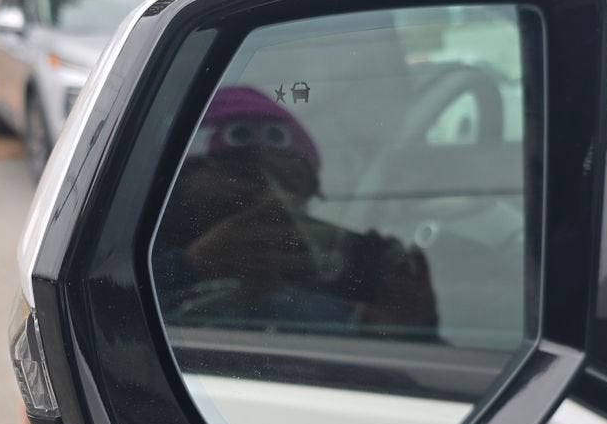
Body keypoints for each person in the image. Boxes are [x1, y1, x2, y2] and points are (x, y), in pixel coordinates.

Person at [153, 85, 438, 339]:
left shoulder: (330, 276)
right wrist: (188, 268)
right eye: (241, 169)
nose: (273, 196)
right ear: (179, 180)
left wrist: (403, 330)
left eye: (292, 179)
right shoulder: (138, 247)